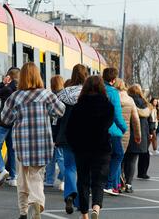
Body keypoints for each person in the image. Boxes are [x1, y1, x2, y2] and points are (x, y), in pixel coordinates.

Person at [1, 62, 65, 219]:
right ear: (38, 76)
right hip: (42, 144)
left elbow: (5, 119)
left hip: (22, 145)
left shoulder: (15, 97)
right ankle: (36, 203)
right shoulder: (46, 95)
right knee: (36, 176)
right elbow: (60, 111)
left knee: (22, 179)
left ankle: (24, 212)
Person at [66, 75, 115, 219]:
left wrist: (74, 145)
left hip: (82, 149)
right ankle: (96, 208)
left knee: (83, 180)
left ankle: (85, 214)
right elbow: (107, 126)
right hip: (101, 148)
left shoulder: (78, 106)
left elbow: (70, 130)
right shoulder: (108, 106)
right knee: (99, 181)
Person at [57, 64, 89, 214]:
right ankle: (78, 201)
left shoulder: (63, 93)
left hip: (67, 135)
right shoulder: (89, 93)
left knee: (69, 166)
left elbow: (56, 115)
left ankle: (70, 194)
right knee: (82, 168)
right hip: (84, 136)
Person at [0, 67, 20, 187]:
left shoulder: (7, 88)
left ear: (9, 76)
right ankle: (13, 177)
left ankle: (2, 170)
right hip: (16, 123)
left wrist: (2, 83)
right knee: (11, 149)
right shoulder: (20, 89)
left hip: (5, 122)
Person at [102, 69, 128, 196]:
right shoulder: (113, 92)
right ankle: (109, 184)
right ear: (113, 80)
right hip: (112, 131)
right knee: (118, 155)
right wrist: (124, 128)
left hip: (96, 131)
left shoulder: (96, 89)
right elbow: (117, 115)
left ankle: (93, 184)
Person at [113, 78, 141, 193]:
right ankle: (119, 183)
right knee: (119, 157)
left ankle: (115, 183)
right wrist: (138, 134)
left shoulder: (112, 97)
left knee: (113, 158)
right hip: (125, 133)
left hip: (112, 131)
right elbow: (135, 119)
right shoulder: (130, 100)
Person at [126, 84, 152, 180]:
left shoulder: (127, 102)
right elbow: (149, 121)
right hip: (141, 136)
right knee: (133, 160)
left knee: (124, 161)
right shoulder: (145, 104)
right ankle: (129, 183)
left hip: (127, 134)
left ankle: (121, 182)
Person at [45, 75, 65, 190]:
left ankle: (49, 180)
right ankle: (62, 178)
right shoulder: (65, 96)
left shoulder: (54, 98)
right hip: (61, 132)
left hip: (54, 132)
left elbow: (54, 117)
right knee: (60, 157)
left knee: (52, 158)